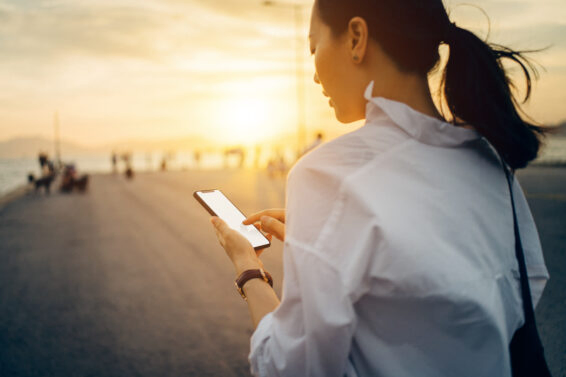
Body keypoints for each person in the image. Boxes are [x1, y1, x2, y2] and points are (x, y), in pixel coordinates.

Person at [209, 1, 549, 376]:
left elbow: (289, 367)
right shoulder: (491, 161)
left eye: (313, 48)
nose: (315, 76)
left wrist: (247, 268)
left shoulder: (327, 175)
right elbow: (517, 293)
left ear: (356, 37)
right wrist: (338, 247)